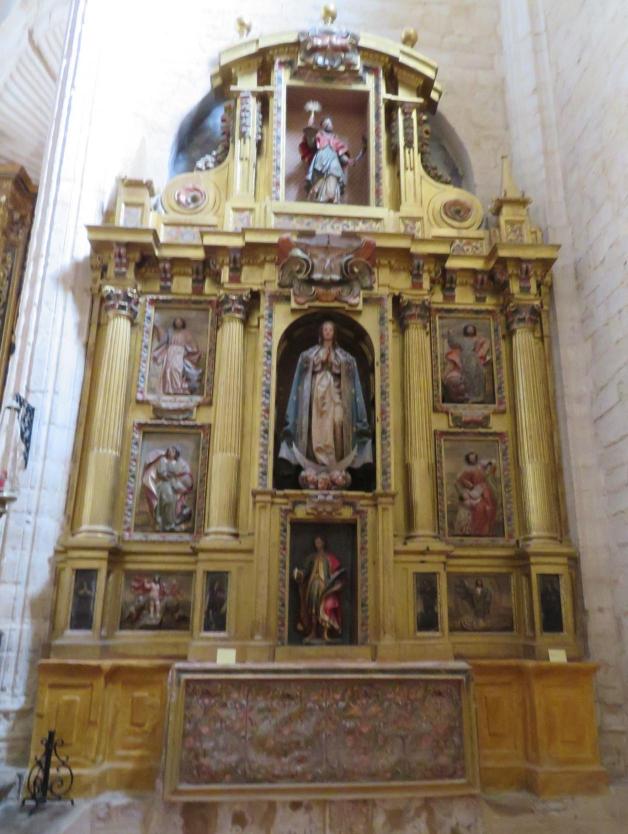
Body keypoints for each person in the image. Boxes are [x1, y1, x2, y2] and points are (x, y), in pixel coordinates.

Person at [279, 320, 372, 471]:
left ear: (334, 333)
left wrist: (335, 364)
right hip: (317, 396)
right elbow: (304, 364)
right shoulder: (311, 354)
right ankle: (318, 457)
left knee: (338, 421)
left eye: (330, 329)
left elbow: (349, 366)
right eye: (325, 329)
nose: (328, 332)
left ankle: (334, 457)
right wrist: (319, 361)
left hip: (335, 395)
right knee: (318, 425)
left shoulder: (342, 355)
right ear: (321, 332)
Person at [293, 535, 345, 642]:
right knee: (313, 609)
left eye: (319, 542)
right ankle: (313, 632)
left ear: (323, 543)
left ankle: (325, 633)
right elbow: (305, 571)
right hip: (313, 585)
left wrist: (336, 582)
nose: (317, 544)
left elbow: (336, 572)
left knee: (325, 609)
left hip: (325, 586)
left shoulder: (329, 557)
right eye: (316, 542)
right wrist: (299, 574)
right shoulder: (312, 557)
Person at [299, 115, 361, 204]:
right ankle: (317, 194)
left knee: (334, 174)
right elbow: (311, 144)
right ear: (322, 125)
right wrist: (310, 132)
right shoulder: (318, 135)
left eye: (330, 123)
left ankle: (330, 196)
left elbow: (340, 153)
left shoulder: (335, 138)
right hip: (321, 159)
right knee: (320, 176)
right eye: (327, 123)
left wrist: (348, 160)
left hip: (333, 160)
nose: (329, 125)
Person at [141, 446, 194, 532]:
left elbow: (179, 474)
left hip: (173, 484)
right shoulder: (163, 460)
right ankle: (162, 523)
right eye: (169, 450)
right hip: (164, 484)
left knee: (174, 501)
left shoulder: (176, 463)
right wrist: (170, 477)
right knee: (168, 499)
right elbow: (161, 473)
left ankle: (170, 524)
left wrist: (176, 481)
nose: (170, 452)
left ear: (175, 454)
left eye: (173, 451)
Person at [151, 316, 203, 396]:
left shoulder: (186, 333)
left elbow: (192, 344)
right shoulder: (170, 332)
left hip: (180, 353)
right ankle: (169, 389)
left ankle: (178, 388)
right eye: (176, 321)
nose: (178, 323)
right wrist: (158, 327)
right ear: (174, 323)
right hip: (170, 352)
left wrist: (191, 350)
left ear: (182, 323)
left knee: (177, 369)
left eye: (179, 321)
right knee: (168, 369)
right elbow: (163, 340)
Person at [442, 323, 492, 403]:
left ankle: (479, 396)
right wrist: (450, 334)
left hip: (473, 358)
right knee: (468, 375)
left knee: (480, 373)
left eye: (471, 328)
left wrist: (481, 352)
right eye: (468, 328)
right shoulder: (462, 339)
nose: (470, 330)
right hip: (465, 358)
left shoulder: (477, 339)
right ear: (466, 330)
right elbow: (453, 342)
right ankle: (470, 395)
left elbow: (486, 342)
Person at [453, 452, 498, 536]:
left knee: (490, 506)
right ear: (468, 459)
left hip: (485, 491)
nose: (473, 459)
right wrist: (470, 486)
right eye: (471, 458)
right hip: (476, 491)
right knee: (480, 508)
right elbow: (459, 481)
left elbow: (493, 464)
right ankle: (478, 530)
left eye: (474, 457)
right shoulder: (467, 470)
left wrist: (488, 463)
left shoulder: (481, 467)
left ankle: (486, 530)